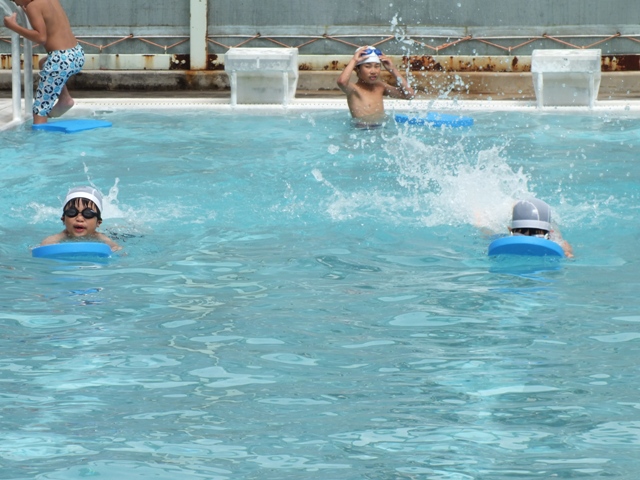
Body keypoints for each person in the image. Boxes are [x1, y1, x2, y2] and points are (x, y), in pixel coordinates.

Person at [3, 0, 85, 125]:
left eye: (15, 0)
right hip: (77, 53)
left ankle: (39, 135)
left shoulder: (33, 6)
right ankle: (65, 99)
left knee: (40, 110)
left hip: (60, 60)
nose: (17, 5)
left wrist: (13, 26)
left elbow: (41, 38)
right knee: (43, 63)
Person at [337, 45, 415, 126]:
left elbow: (409, 95)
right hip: (362, 129)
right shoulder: (354, 90)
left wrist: (392, 69)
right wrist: (354, 60)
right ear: (357, 69)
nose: (373, 71)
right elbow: (342, 82)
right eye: (368, 67)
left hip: (381, 128)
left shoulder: (380, 86)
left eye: (377, 66)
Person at [40, 186, 121, 251]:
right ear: (63, 219)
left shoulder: (99, 236)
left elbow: (112, 244)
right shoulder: (62, 235)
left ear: (98, 222)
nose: (79, 218)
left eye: (88, 213)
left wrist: (114, 248)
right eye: (72, 212)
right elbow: (47, 243)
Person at [508, 198, 573, 258]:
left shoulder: (554, 240)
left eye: (534, 233)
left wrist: (567, 253)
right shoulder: (506, 238)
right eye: (522, 232)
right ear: (510, 230)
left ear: (549, 233)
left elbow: (565, 247)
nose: (528, 240)